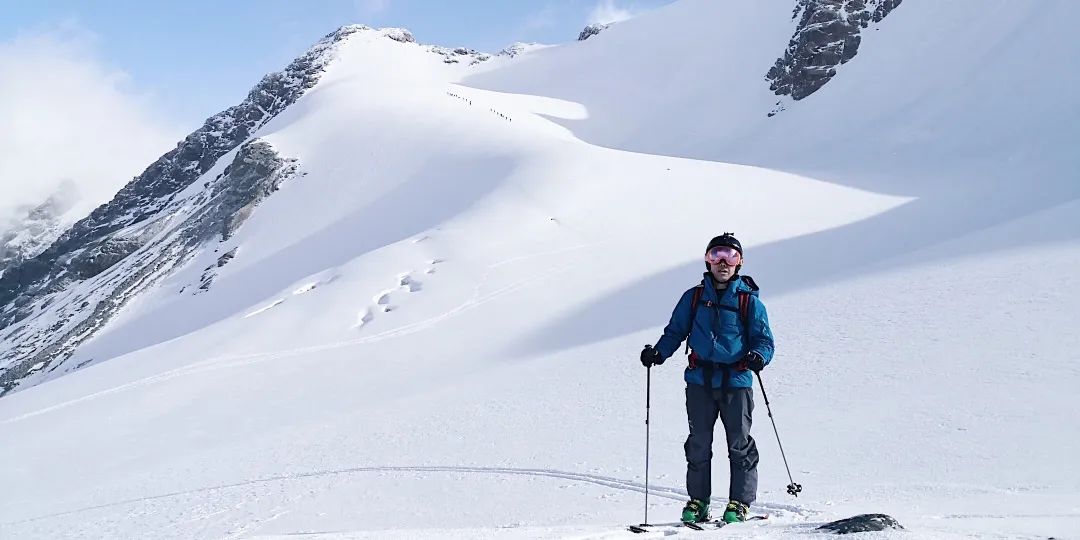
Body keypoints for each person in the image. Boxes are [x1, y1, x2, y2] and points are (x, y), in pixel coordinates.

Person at [639, 233, 775, 524]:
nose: (722, 262)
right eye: (716, 255)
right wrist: (658, 354)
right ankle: (698, 501)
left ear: (739, 263)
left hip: (736, 382)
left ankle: (739, 502)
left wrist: (758, 357)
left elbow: (764, 341)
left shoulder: (749, 302)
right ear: (707, 260)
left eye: (730, 256)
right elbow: (675, 331)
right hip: (700, 381)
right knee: (698, 442)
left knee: (739, 443)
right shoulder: (694, 297)